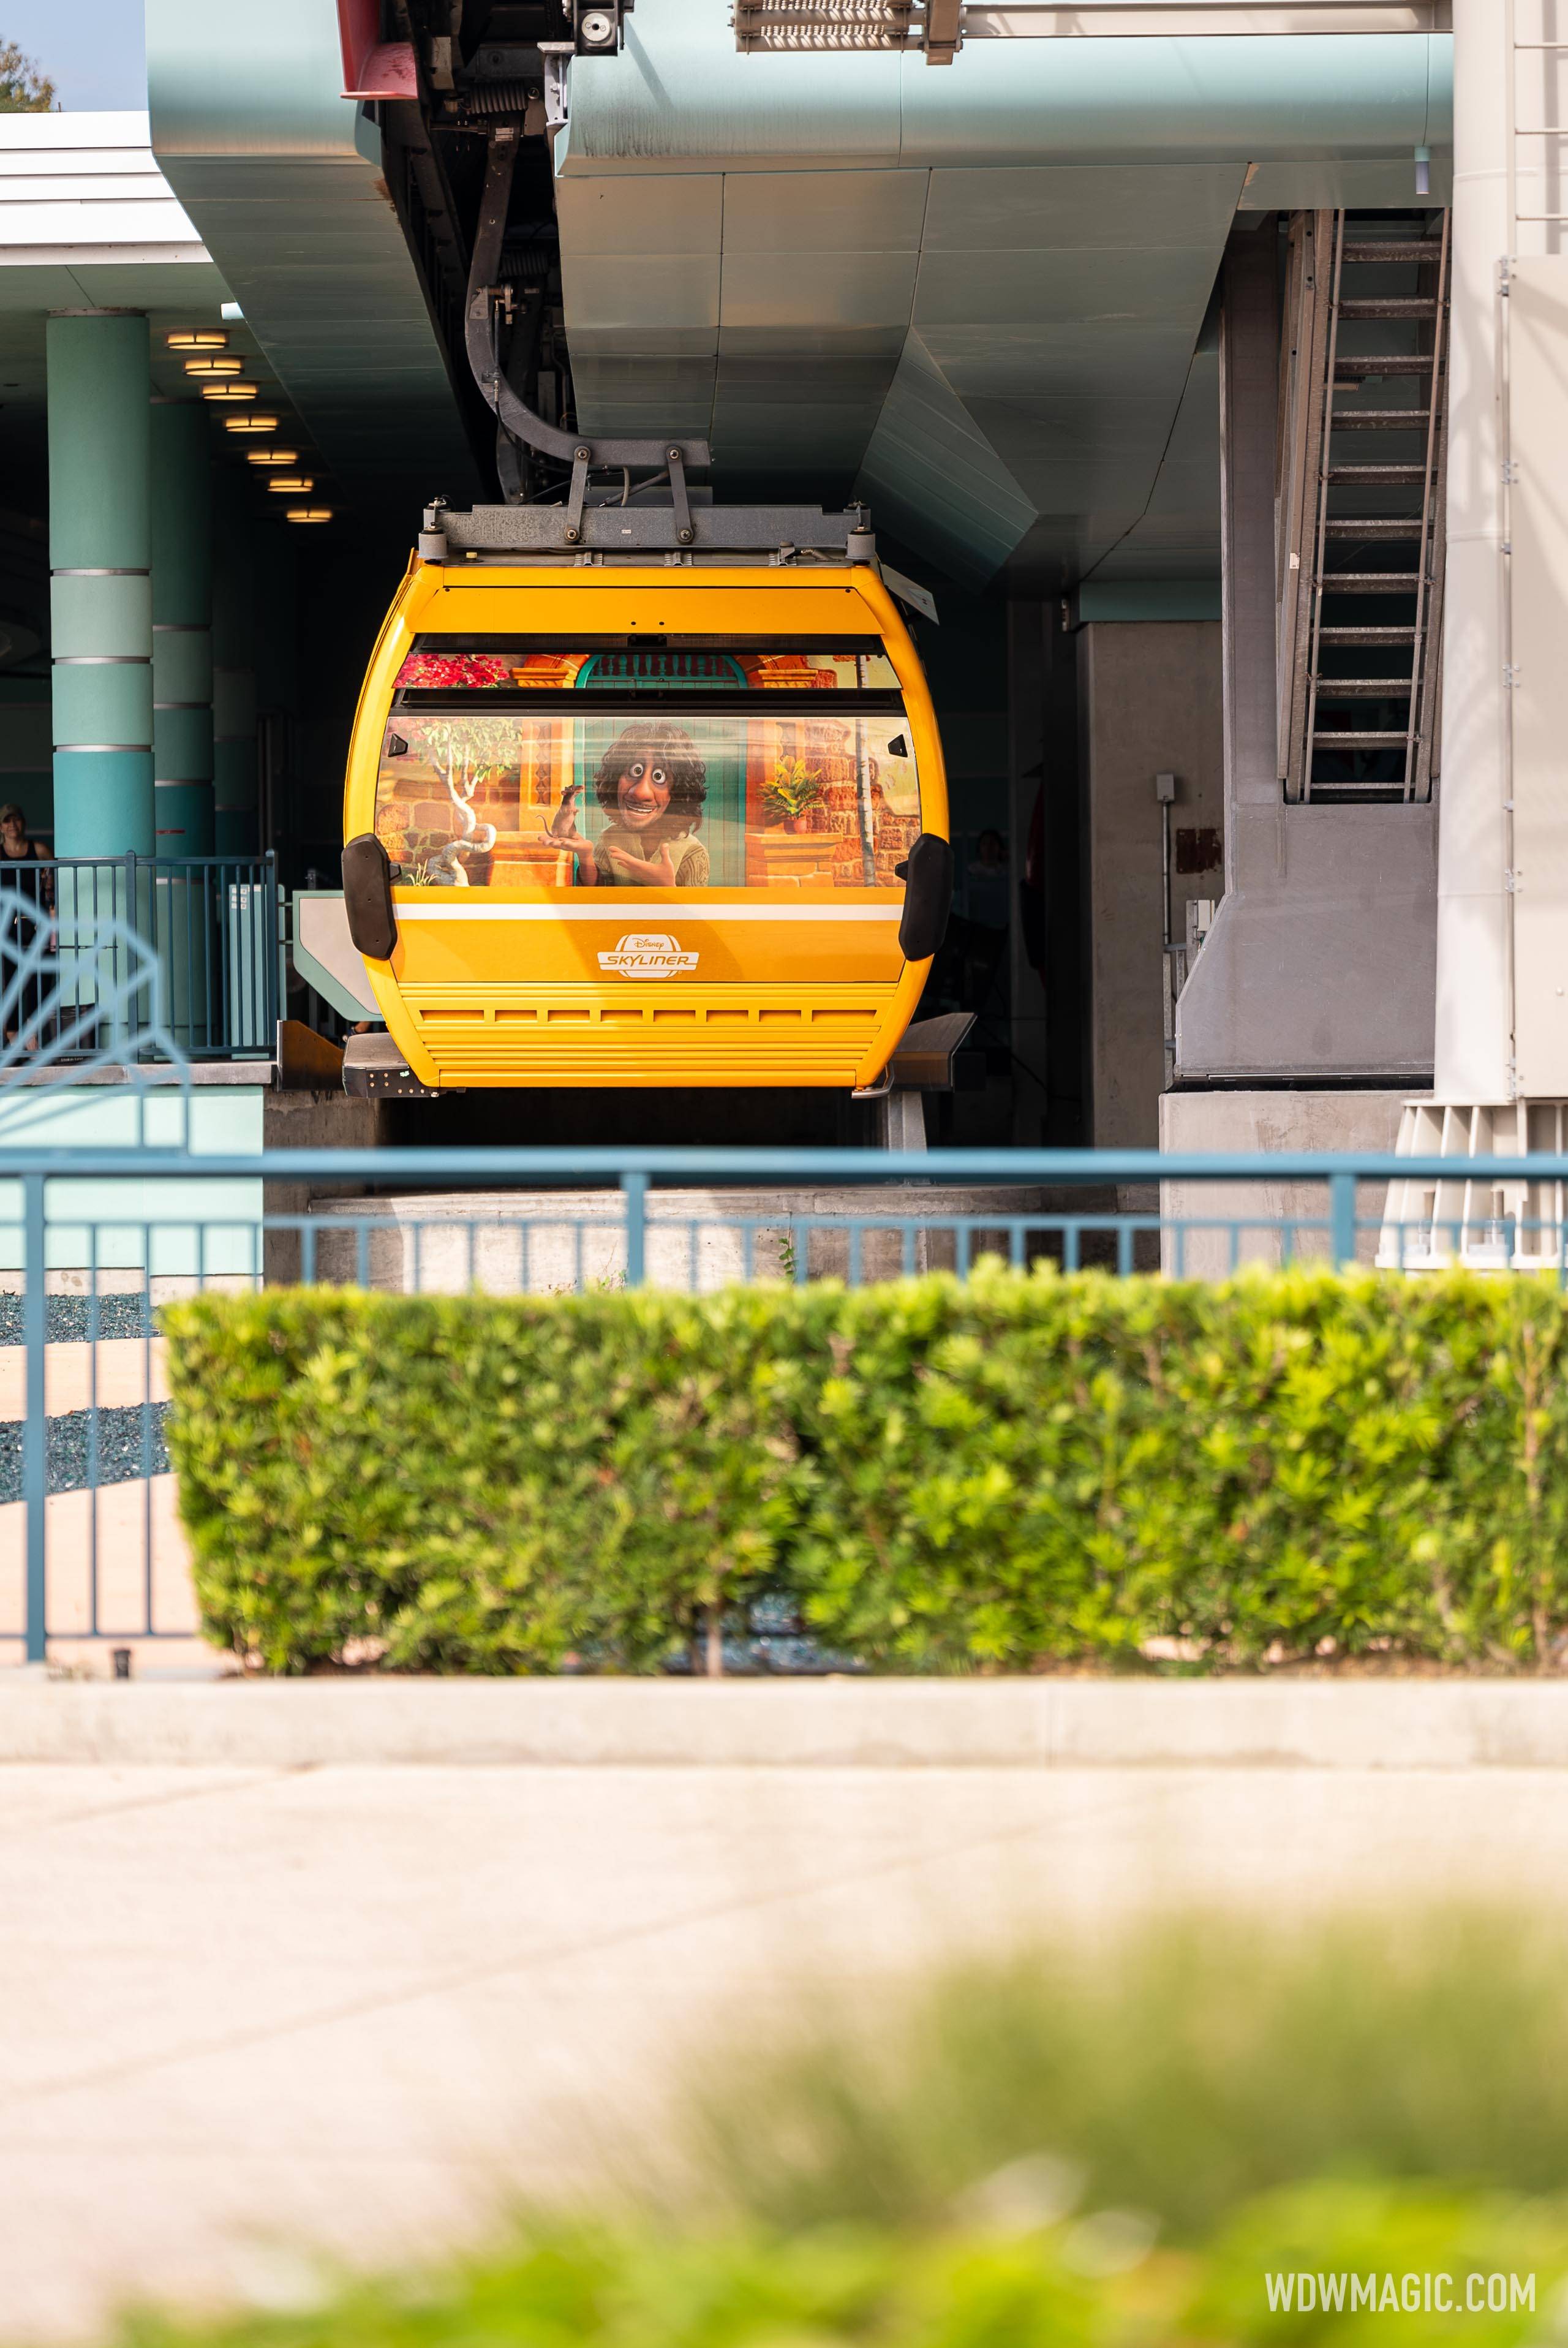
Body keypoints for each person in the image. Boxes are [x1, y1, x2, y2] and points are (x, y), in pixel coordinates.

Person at [549, 723, 709, 886]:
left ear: (678, 791)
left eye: (659, 777)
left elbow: (695, 911)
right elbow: (598, 899)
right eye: (636, 771)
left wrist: (667, 887)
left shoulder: (692, 852)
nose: (640, 793)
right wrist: (585, 857)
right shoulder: (609, 840)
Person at [0, 803, 53, 1046]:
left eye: (16, 820)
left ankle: (31, 1028)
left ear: (24, 823)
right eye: (7, 821)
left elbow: (56, 879)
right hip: (6, 928)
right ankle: (13, 1038)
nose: (12, 825)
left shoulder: (39, 850)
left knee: (41, 976)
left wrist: (53, 906)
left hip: (35, 925)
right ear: (1, 826)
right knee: (10, 980)